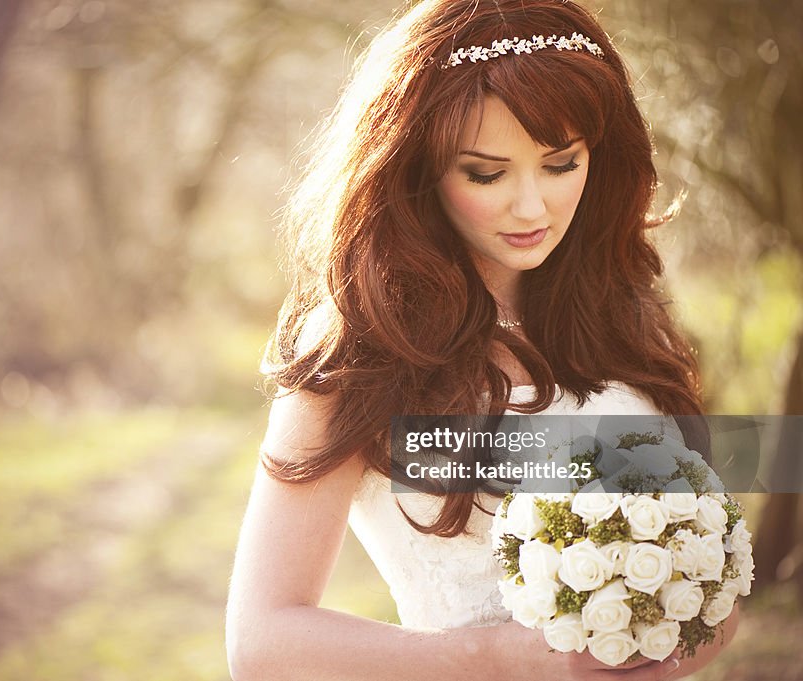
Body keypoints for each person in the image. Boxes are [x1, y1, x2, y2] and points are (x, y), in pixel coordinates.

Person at [226, 1, 739, 679]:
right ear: (418, 167)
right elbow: (261, 642)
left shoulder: (624, 315)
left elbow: (719, 600)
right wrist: (496, 660)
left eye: (561, 163)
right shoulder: (362, 350)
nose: (532, 207)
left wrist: (674, 640)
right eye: (487, 174)